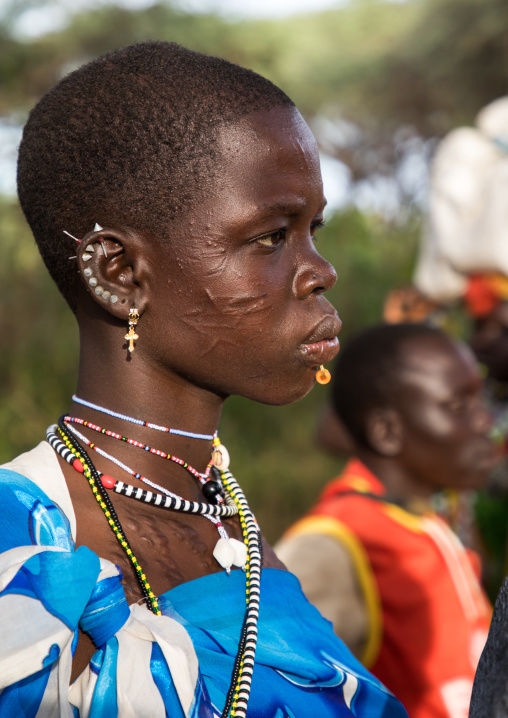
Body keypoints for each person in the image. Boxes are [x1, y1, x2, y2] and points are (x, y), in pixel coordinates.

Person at [0, 42, 407, 717]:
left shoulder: (234, 531)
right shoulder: (22, 539)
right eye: (272, 237)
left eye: (314, 229)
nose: (321, 271)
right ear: (120, 274)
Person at [276, 323, 498, 718]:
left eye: (480, 402)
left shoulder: (426, 523)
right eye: (459, 406)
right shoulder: (337, 543)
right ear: (386, 431)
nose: (485, 423)